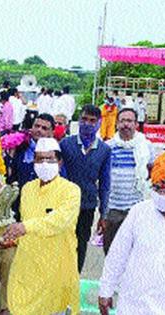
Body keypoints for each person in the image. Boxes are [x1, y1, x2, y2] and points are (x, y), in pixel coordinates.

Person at [98, 150, 165, 315]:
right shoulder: (139, 212)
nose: (162, 194)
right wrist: (106, 289)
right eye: (157, 188)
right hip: (133, 302)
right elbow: (118, 253)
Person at [5, 137, 80, 315]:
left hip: (57, 266)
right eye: (39, 159)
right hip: (28, 265)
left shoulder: (71, 191)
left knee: (54, 307)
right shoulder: (27, 189)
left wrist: (25, 227)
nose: (44, 163)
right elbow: (24, 220)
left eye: (50, 159)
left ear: (59, 162)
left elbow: (59, 221)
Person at [0, 114, 54, 315]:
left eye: (44, 128)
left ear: (51, 132)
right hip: (15, 219)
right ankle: (5, 307)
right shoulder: (18, 149)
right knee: (6, 262)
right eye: (36, 126)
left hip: (40, 223)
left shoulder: (56, 156)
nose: (38, 130)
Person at [60, 105, 111, 272]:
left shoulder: (104, 150)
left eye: (92, 121)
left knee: (80, 245)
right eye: (84, 119)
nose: (87, 124)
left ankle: (74, 281)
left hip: (87, 206)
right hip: (64, 205)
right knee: (62, 244)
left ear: (99, 123)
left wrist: (103, 214)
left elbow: (105, 183)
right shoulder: (66, 144)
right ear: (79, 120)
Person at [103, 108, 154, 254]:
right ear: (117, 124)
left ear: (136, 124)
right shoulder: (108, 147)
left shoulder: (146, 146)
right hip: (113, 208)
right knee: (111, 251)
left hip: (136, 208)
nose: (126, 124)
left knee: (135, 252)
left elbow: (151, 170)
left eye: (129, 121)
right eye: (122, 121)